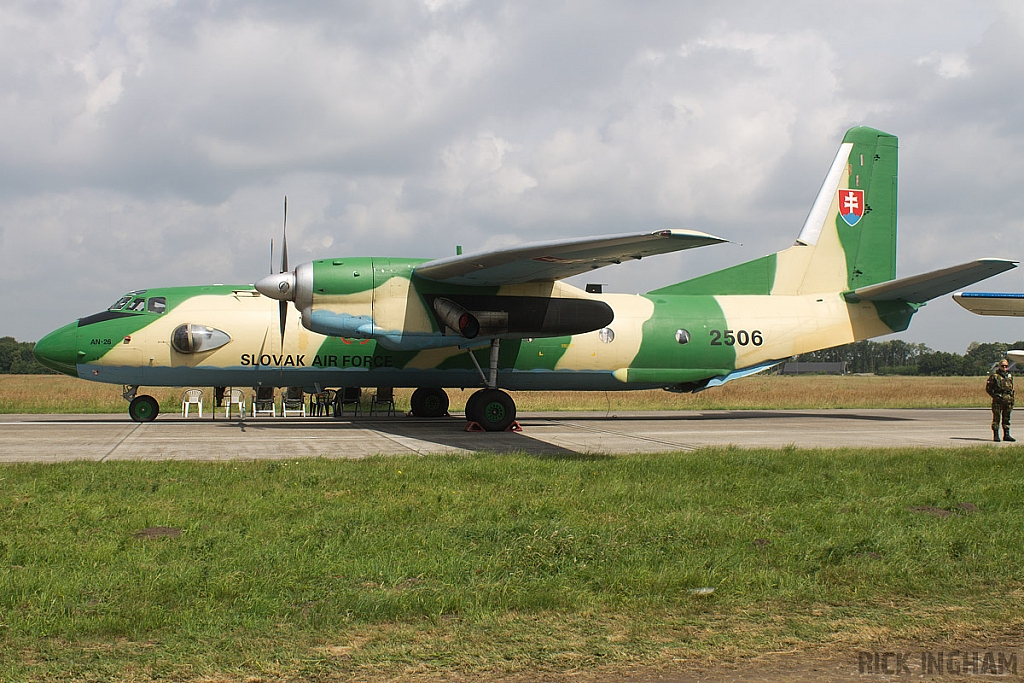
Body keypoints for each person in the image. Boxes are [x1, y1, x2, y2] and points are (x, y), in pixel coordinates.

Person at [986, 359, 1015, 442]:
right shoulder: (994, 376)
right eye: (1002, 366)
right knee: (996, 418)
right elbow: (988, 388)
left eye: (1006, 366)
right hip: (998, 401)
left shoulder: (1009, 376)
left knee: (1006, 418)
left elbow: (1011, 388)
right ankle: (996, 435)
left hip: (1008, 400)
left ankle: (1006, 435)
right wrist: (995, 396)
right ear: (999, 366)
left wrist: (1012, 398)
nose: (1004, 368)